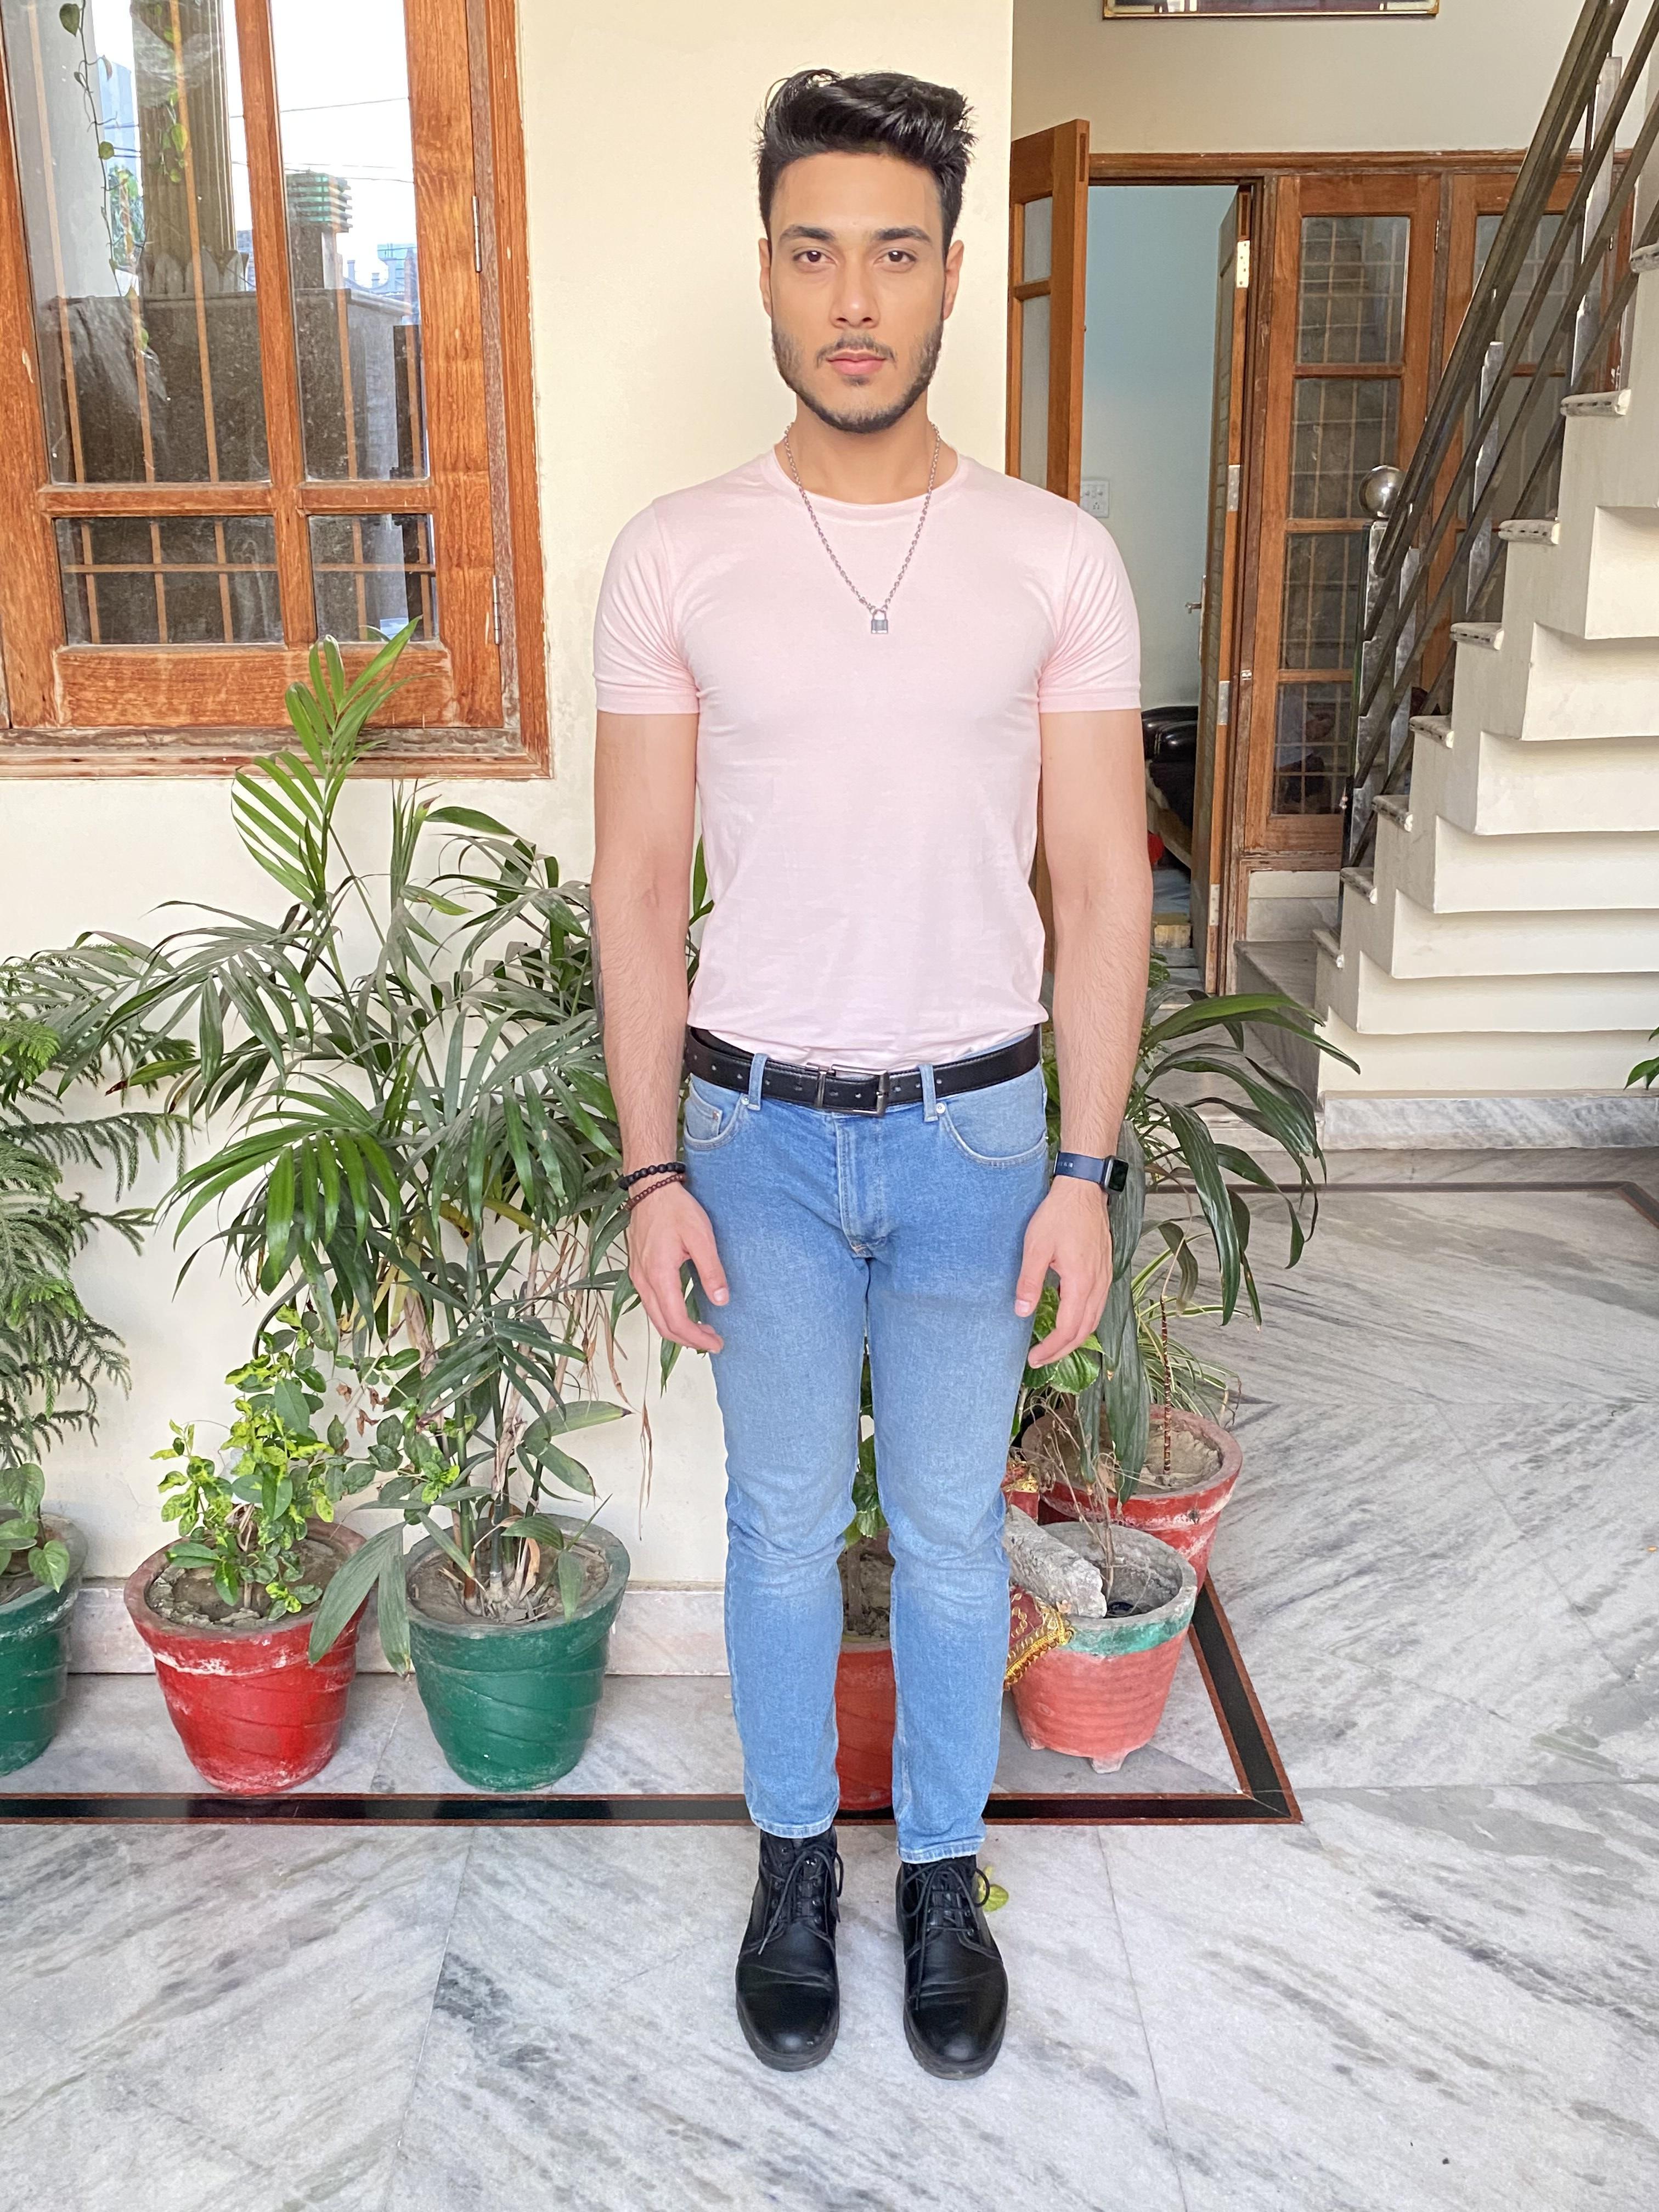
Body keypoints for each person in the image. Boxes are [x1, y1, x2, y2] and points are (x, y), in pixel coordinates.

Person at [590, 67, 1148, 2079]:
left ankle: (937, 1878)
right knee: (769, 1530)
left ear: (950, 277)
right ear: (765, 269)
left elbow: (1104, 880)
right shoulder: (677, 555)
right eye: (815, 251)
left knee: (949, 1533)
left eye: (894, 254)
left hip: (978, 1139)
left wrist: (1086, 1165)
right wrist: (650, 1172)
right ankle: (787, 1871)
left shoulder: (1054, 557)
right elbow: (637, 882)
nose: (854, 298)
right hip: (749, 1135)